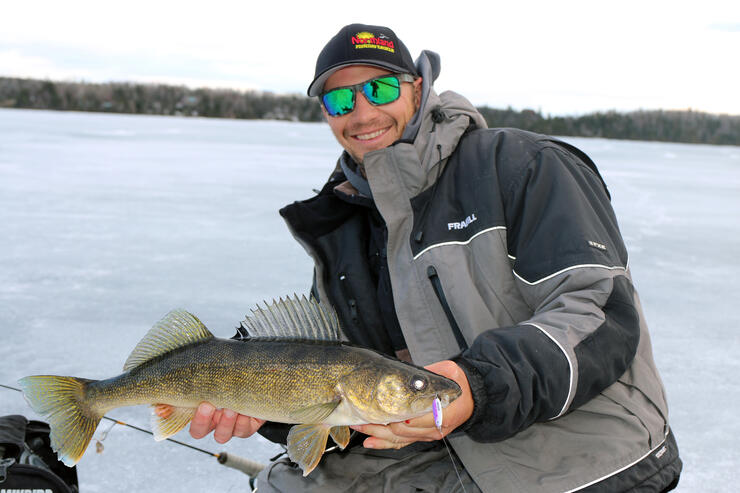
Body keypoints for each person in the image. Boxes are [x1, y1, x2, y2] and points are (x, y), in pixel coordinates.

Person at [160, 24, 682, 492]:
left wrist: (474, 389)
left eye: (381, 89)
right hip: (431, 435)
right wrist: (260, 412)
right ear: (325, 114)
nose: (362, 113)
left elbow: (599, 313)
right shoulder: (345, 220)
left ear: (417, 88)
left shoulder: (525, 167)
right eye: (340, 102)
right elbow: (341, 375)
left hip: (578, 452)